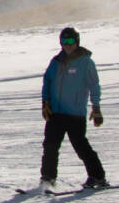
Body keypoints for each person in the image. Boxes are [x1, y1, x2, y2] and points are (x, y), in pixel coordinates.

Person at [40, 27, 108, 188]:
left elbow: (94, 85)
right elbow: (47, 81)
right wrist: (45, 102)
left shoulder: (86, 62)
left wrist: (96, 107)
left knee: (80, 146)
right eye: (64, 41)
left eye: (71, 41)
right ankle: (48, 178)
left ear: (77, 42)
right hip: (56, 113)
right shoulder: (56, 61)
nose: (68, 45)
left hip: (75, 114)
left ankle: (97, 176)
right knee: (50, 145)